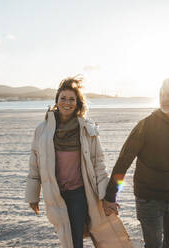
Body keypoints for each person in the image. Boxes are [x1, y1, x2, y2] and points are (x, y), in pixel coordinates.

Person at [25, 76, 133, 248]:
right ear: (57, 101)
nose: (67, 103)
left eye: (71, 99)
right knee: (66, 239)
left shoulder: (87, 129)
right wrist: (33, 196)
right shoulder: (42, 130)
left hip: (79, 194)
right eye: (63, 98)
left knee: (76, 238)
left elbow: (99, 164)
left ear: (78, 103)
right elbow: (35, 164)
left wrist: (106, 197)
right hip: (55, 193)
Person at [103, 77, 169, 248]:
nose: (165, 99)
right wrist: (111, 196)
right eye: (162, 94)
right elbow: (124, 160)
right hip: (149, 200)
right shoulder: (146, 125)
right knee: (153, 245)